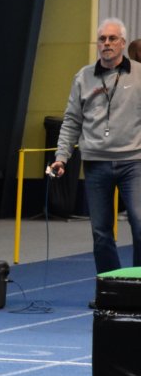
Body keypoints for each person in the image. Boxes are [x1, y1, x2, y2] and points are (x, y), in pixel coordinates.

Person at [51, 18, 141, 273]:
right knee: (101, 232)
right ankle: (110, 286)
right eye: (102, 39)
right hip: (95, 163)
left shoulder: (138, 74)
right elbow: (72, 120)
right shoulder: (83, 77)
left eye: (112, 38)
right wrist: (61, 157)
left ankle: (138, 284)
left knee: (139, 224)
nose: (107, 43)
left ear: (122, 43)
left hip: (133, 162)